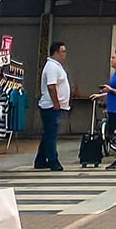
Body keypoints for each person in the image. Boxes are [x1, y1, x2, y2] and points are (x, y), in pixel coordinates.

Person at [35, 41, 69, 171]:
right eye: (63, 51)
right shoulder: (52, 67)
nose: (64, 54)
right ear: (56, 52)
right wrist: (56, 102)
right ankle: (53, 160)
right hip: (50, 106)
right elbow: (51, 86)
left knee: (48, 133)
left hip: (54, 105)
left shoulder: (56, 66)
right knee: (51, 134)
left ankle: (41, 160)